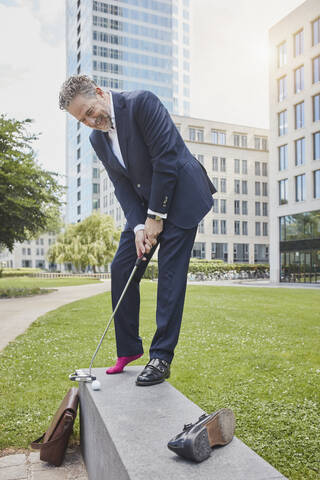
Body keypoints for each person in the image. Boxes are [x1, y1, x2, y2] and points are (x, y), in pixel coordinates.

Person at [59, 75, 216, 386]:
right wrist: (140, 225)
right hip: (145, 207)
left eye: (90, 111)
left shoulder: (141, 102)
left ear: (101, 93)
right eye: (83, 119)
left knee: (169, 277)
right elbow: (121, 184)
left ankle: (161, 358)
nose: (91, 121)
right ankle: (129, 349)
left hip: (182, 197)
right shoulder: (97, 139)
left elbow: (166, 159)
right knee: (121, 267)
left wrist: (157, 216)